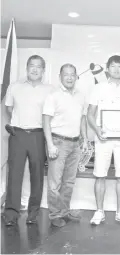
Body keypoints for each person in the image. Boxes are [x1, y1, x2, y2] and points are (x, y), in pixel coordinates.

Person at [87, 55, 120, 225]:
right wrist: (97, 129)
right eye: (113, 66)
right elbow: (90, 114)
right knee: (100, 175)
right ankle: (99, 211)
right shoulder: (98, 88)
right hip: (103, 138)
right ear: (107, 68)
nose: (117, 70)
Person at [2, 55, 53, 226]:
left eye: (39, 66)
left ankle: (33, 213)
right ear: (27, 67)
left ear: (43, 71)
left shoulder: (50, 90)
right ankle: (10, 214)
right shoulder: (14, 87)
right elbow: (9, 108)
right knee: (14, 175)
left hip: (39, 135)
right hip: (18, 135)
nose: (35, 69)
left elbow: (52, 114)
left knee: (37, 175)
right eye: (32, 65)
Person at [43, 64, 88, 227]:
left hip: (75, 143)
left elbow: (82, 119)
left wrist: (85, 139)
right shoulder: (53, 96)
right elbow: (46, 121)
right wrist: (50, 144)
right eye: (66, 75)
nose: (69, 77)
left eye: (72, 75)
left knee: (69, 182)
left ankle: (64, 211)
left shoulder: (81, 96)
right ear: (60, 76)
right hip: (57, 142)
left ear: (76, 76)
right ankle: (55, 215)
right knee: (55, 183)